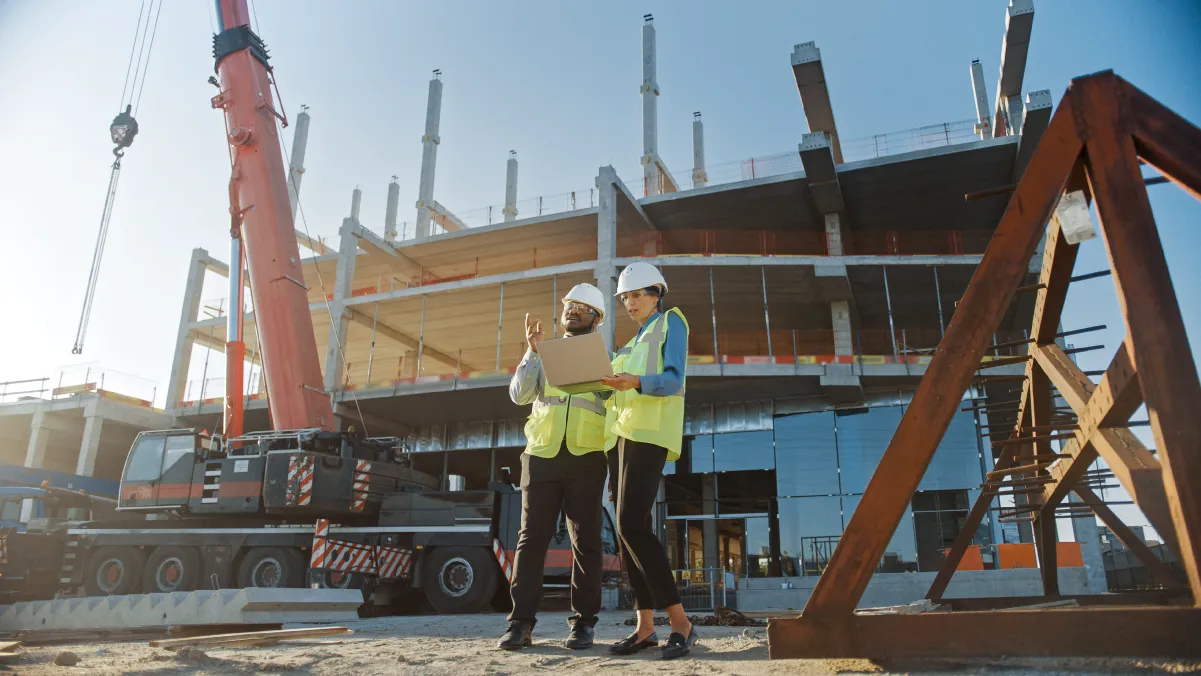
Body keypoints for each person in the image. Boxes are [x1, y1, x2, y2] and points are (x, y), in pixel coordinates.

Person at [497, 283, 615, 651]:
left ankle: (583, 624)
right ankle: (520, 625)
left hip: (587, 456)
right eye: (569, 305)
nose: (573, 311)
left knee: (587, 543)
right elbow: (519, 396)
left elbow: (614, 402)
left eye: (582, 308)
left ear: (595, 319)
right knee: (530, 541)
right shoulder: (542, 355)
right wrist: (532, 353)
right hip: (542, 456)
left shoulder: (607, 360)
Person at [600, 262, 697, 660]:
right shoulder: (629, 344)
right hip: (620, 438)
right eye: (625, 298)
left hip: (649, 434)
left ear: (657, 293)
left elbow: (674, 379)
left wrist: (636, 381)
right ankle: (645, 628)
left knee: (630, 525)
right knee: (626, 532)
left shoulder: (671, 322)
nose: (629, 303)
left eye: (636, 295)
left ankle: (681, 623)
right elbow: (618, 393)